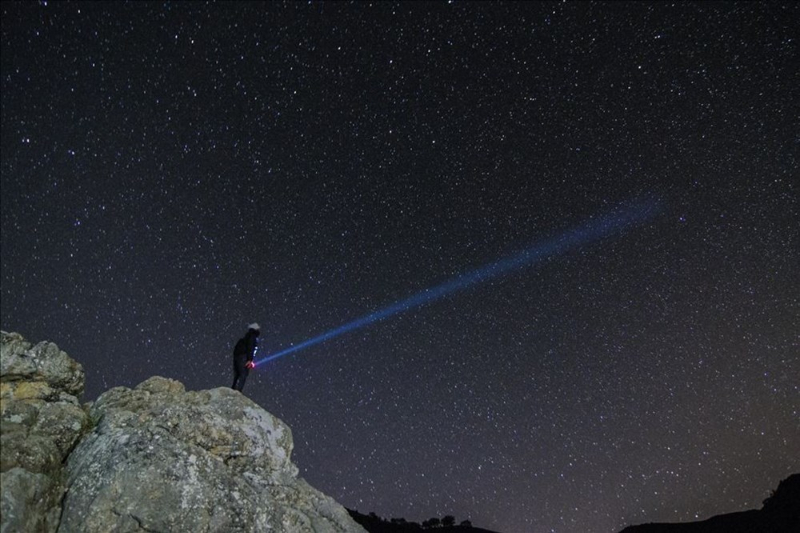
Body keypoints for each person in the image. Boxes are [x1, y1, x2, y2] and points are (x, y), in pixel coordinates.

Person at [232, 323, 260, 391]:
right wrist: (250, 360)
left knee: (237, 374)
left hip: (237, 357)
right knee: (243, 374)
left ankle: (233, 389)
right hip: (244, 357)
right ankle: (238, 391)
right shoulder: (252, 337)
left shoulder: (245, 337)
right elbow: (250, 347)